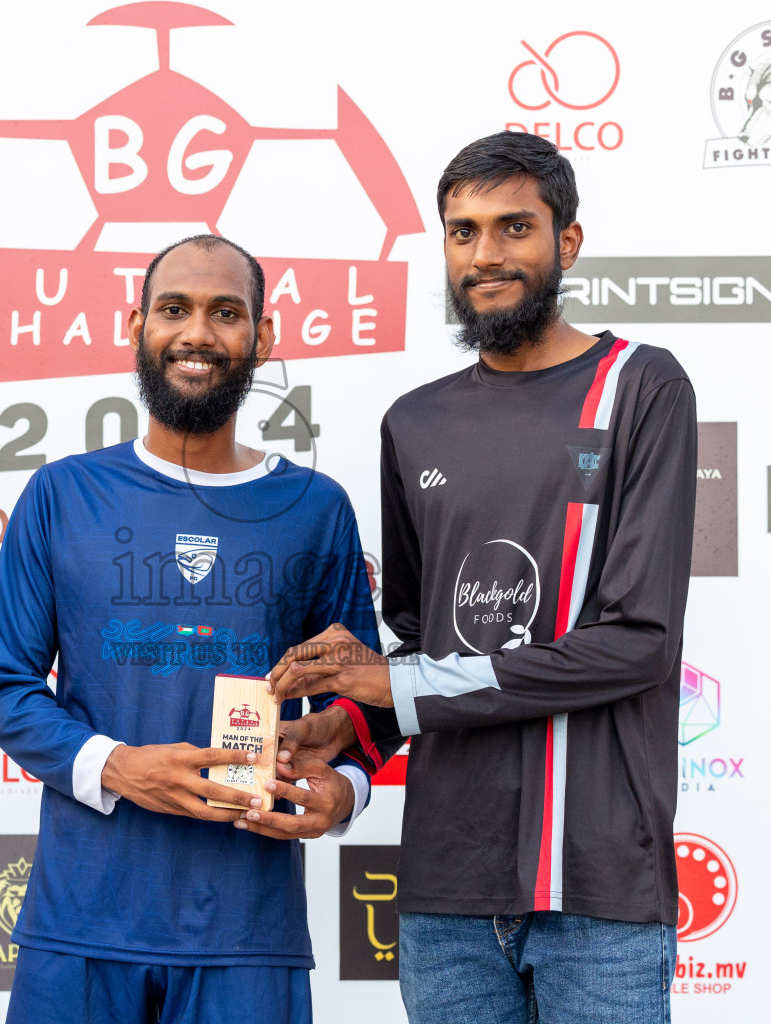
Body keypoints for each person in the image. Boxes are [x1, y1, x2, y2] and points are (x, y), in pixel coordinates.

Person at [271, 132, 697, 1023]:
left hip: (599, 884)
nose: (486, 255)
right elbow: (426, 648)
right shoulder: (414, 422)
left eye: (514, 227)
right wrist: (350, 726)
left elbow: (637, 645)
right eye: (462, 232)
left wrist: (396, 681)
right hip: (445, 893)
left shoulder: (640, 387)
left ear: (566, 242)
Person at [0, 234, 385, 1024]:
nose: (198, 333)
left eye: (225, 312)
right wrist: (121, 766)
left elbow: (365, 700)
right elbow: (9, 691)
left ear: (262, 339)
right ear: (138, 327)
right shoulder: (62, 494)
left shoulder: (315, 507)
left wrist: (349, 790)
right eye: (175, 309)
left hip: (246, 933)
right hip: (82, 925)